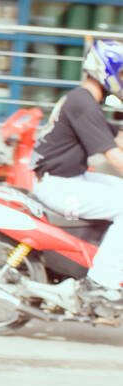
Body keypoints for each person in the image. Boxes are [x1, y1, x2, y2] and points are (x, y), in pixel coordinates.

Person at [29, 38, 123, 308]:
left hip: (69, 178)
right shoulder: (83, 102)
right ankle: (101, 282)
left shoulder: (82, 100)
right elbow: (114, 156)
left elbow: (116, 138)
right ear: (108, 71)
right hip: (58, 186)